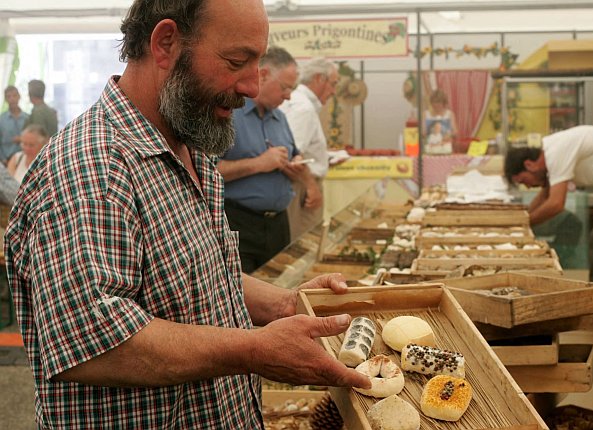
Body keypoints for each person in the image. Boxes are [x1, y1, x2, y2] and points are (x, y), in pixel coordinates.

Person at [4, 1, 369, 428]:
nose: (252, 86)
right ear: (165, 44)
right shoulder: (91, 167)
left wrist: (284, 305)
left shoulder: (188, 143)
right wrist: (255, 350)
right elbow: (93, 342)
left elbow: (201, 273)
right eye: (238, 61)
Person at [218, 46, 319, 273]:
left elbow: (294, 154)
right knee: (247, 299)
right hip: (239, 225)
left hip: (279, 226)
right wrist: (259, 164)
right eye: (285, 87)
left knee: (281, 289)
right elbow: (204, 172)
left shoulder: (280, 118)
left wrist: (297, 164)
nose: (289, 96)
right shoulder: (226, 116)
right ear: (263, 75)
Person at [505, 125, 593, 283]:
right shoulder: (551, 152)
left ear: (529, 165)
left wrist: (524, 223)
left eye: (523, 180)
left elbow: (555, 204)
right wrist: (520, 222)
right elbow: (544, 195)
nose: (527, 186)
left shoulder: (556, 153)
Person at [280, 57, 337, 241]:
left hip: (302, 184)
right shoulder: (303, 108)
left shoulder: (301, 104)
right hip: (302, 188)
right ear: (319, 78)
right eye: (333, 84)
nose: (333, 92)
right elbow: (291, 156)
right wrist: (311, 186)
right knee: (305, 244)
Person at [0, 85, 29, 164]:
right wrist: (3, 159)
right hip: (7, 159)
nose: (12, 99)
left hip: (25, 159)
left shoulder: (27, 118)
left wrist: (22, 139)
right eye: (9, 96)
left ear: (19, 97)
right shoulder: (1, 120)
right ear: (6, 99)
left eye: (14, 95)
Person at [423, 88, 457, 154]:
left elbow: (455, 132)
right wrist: (425, 134)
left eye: (438, 102)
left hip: (445, 148)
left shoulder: (449, 114)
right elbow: (423, 132)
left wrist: (449, 135)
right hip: (430, 149)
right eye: (434, 102)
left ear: (444, 103)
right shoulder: (426, 114)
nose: (436, 105)